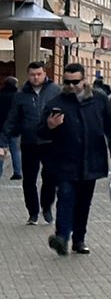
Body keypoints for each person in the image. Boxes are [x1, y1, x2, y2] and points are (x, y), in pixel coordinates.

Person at [43, 63, 111, 256]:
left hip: (91, 160)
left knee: (83, 202)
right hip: (65, 161)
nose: (71, 86)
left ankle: (79, 239)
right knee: (65, 197)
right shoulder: (57, 103)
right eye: (67, 82)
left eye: (75, 82)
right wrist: (49, 126)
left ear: (84, 80)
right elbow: (40, 131)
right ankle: (61, 237)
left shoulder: (99, 100)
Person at [7, 61, 61, 222]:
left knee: (50, 177)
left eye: (38, 74)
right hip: (29, 142)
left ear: (45, 73)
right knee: (29, 180)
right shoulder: (21, 94)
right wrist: (4, 140)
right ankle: (33, 212)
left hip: (50, 141)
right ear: (28, 75)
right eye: (32, 74)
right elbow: (12, 118)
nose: (35, 77)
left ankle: (46, 207)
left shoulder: (55, 91)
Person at [0, 74, 18, 178]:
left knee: (1, 149)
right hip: (14, 126)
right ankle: (17, 172)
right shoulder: (18, 96)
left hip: (1, 126)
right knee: (15, 150)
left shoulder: (1, 94)